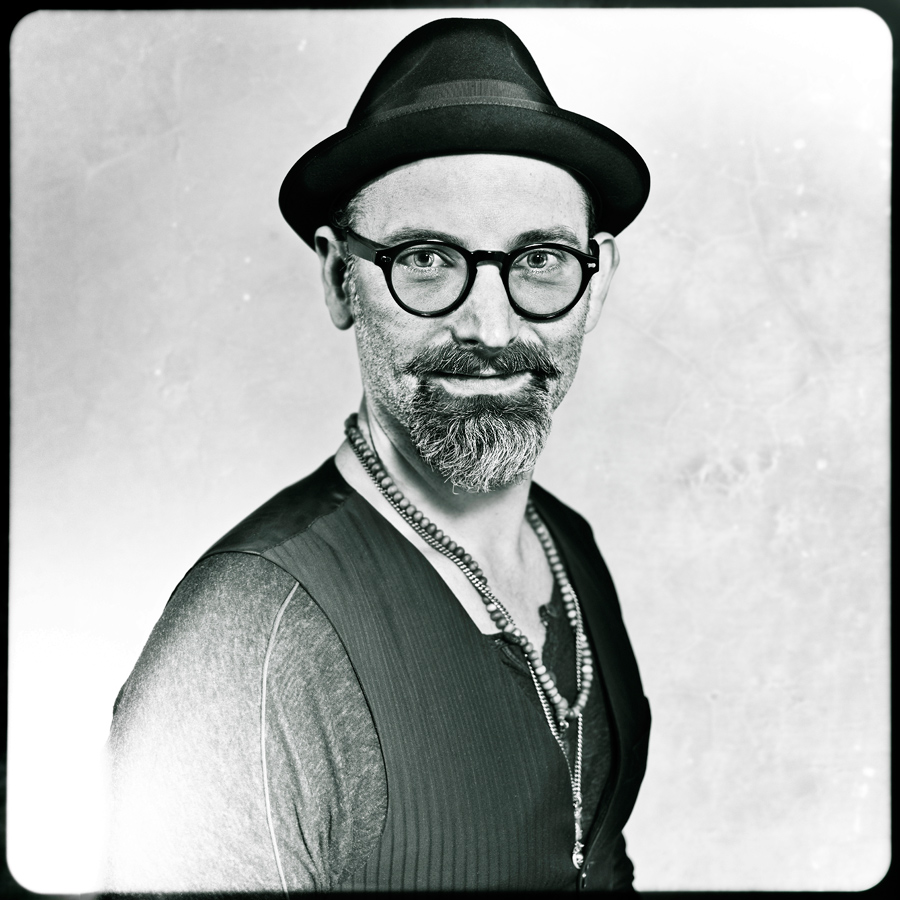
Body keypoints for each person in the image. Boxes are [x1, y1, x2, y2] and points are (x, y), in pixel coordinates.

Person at [106, 17, 651, 893]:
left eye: (541, 259)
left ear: (599, 280)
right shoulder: (248, 643)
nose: (491, 327)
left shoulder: (568, 546)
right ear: (338, 279)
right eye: (426, 259)